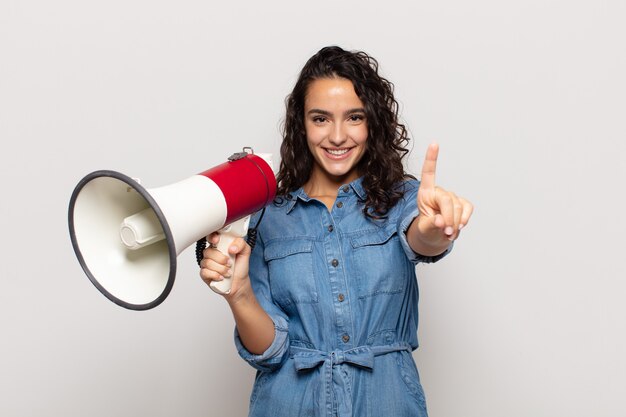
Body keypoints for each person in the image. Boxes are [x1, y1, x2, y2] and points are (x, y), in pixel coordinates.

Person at [199, 46, 473, 417]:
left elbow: (422, 238)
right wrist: (240, 293)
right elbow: (269, 350)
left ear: (372, 123)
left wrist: (435, 224)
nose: (338, 136)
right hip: (288, 404)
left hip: (386, 402)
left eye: (354, 117)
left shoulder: (403, 200)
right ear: (302, 125)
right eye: (321, 119)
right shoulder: (266, 218)